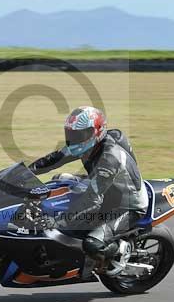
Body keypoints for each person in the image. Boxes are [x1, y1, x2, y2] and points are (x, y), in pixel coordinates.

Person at [28, 106, 148, 270]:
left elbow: (92, 200)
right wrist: (25, 172)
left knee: (92, 244)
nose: (75, 139)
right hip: (107, 189)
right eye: (72, 134)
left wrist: (58, 221)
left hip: (127, 206)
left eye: (80, 135)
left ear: (96, 132)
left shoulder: (109, 158)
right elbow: (54, 159)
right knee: (60, 180)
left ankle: (119, 252)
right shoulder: (88, 145)